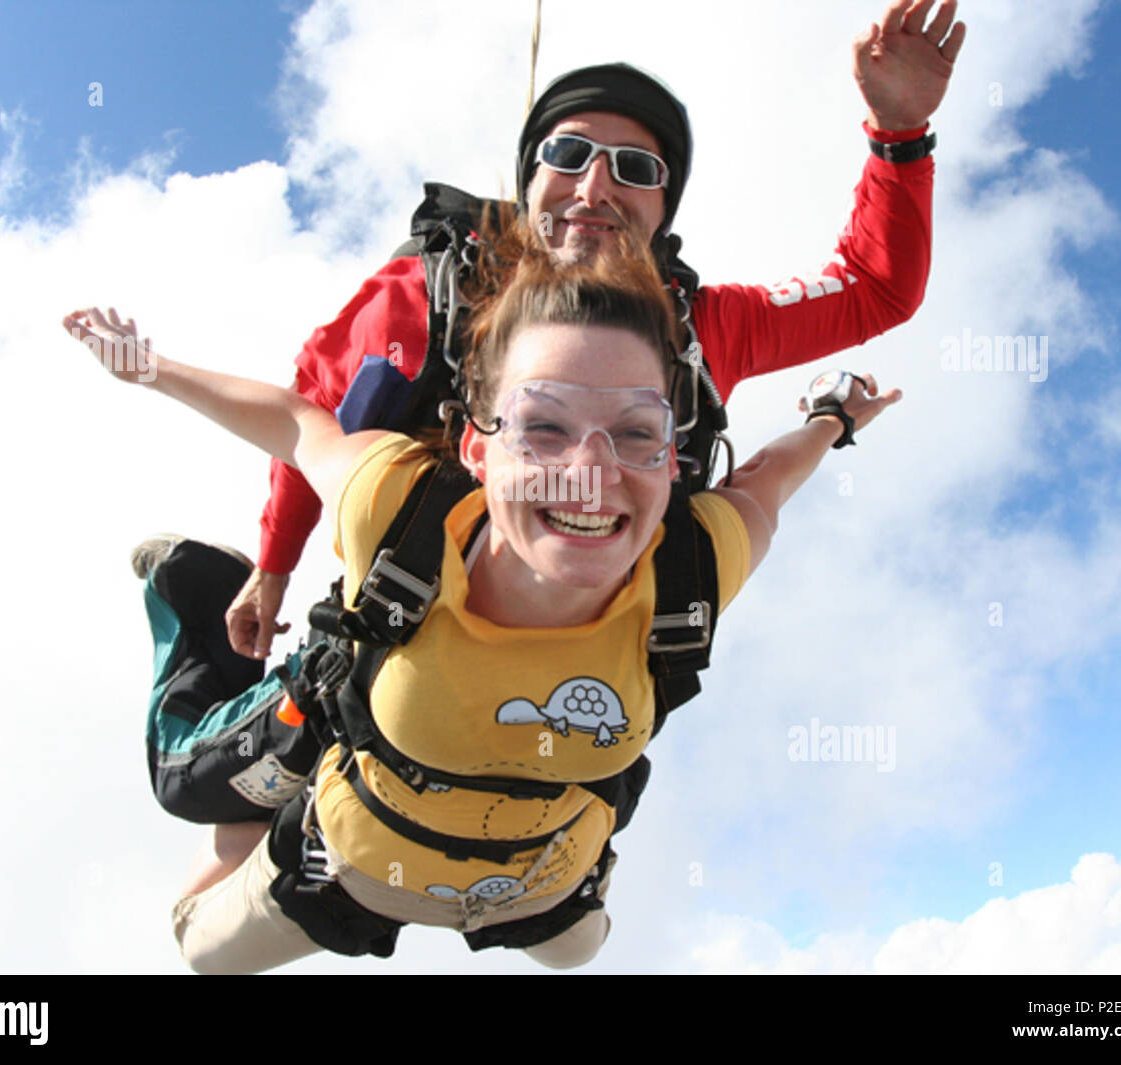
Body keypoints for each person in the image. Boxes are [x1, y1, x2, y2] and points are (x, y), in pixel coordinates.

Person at [62, 228, 902, 971]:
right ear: (476, 445)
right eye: (544, 425)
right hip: (349, 862)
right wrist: (150, 370)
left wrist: (834, 417)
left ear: (671, 461)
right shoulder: (397, 506)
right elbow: (295, 421)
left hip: (533, 878)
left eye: (638, 431)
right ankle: (194, 584)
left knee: (577, 951)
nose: (590, 468)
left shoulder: (689, 569)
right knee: (200, 938)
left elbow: (769, 477)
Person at [228, 0, 965, 665]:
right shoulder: (433, 294)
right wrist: (273, 568)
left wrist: (900, 136)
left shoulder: (702, 326)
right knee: (230, 789)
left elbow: (874, 290)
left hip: (586, 697)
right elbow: (307, 414)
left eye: (635, 167)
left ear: (663, 206)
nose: (594, 187)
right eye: (569, 154)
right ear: (530, 179)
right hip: (387, 658)